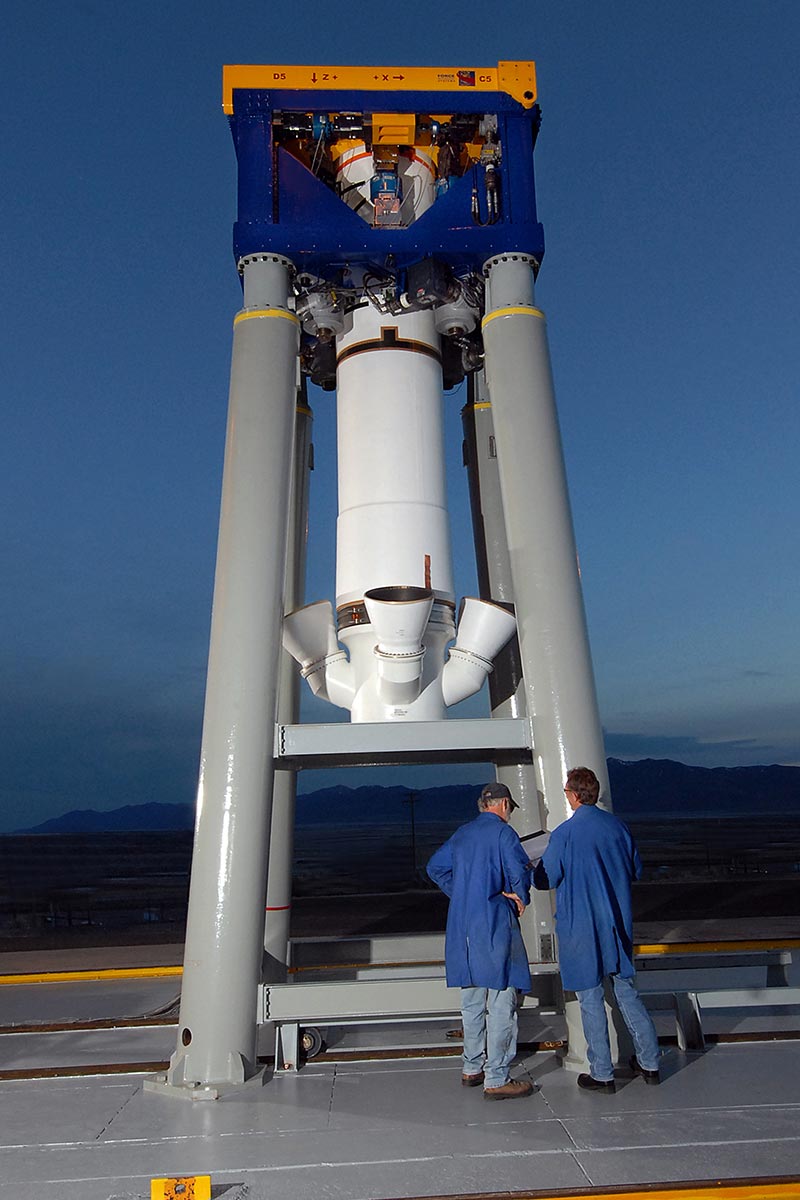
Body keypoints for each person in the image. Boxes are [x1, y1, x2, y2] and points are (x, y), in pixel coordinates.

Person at [534, 766, 660, 1094]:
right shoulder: (618, 827)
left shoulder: (564, 834)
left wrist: (532, 869)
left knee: (590, 999)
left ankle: (602, 1072)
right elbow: (635, 868)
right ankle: (650, 1061)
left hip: (581, 927)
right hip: (616, 924)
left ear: (574, 795)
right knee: (627, 993)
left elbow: (546, 878)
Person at [427, 781, 534, 1100]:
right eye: (510, 808)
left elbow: (435, 867)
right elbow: (518, 872)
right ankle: (497, 1077)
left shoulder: (462, 834)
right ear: (504, 805)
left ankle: (471, 1067)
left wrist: (461, 892)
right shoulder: (504, 834)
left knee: (472, 1000)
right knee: (501, 999)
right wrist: (519, 897)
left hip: (462, 927)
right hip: (494, 923)